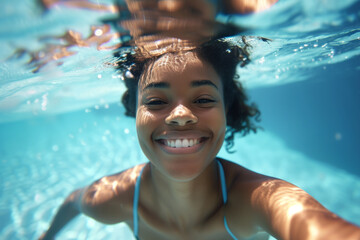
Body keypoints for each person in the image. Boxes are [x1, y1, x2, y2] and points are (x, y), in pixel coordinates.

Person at [39, 1, 360, 240]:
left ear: (227, 109)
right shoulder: (116, 198)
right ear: (133, 110)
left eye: (203, 99)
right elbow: (73, 201)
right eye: (156, 101)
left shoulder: (258, 200)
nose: (180, 115)